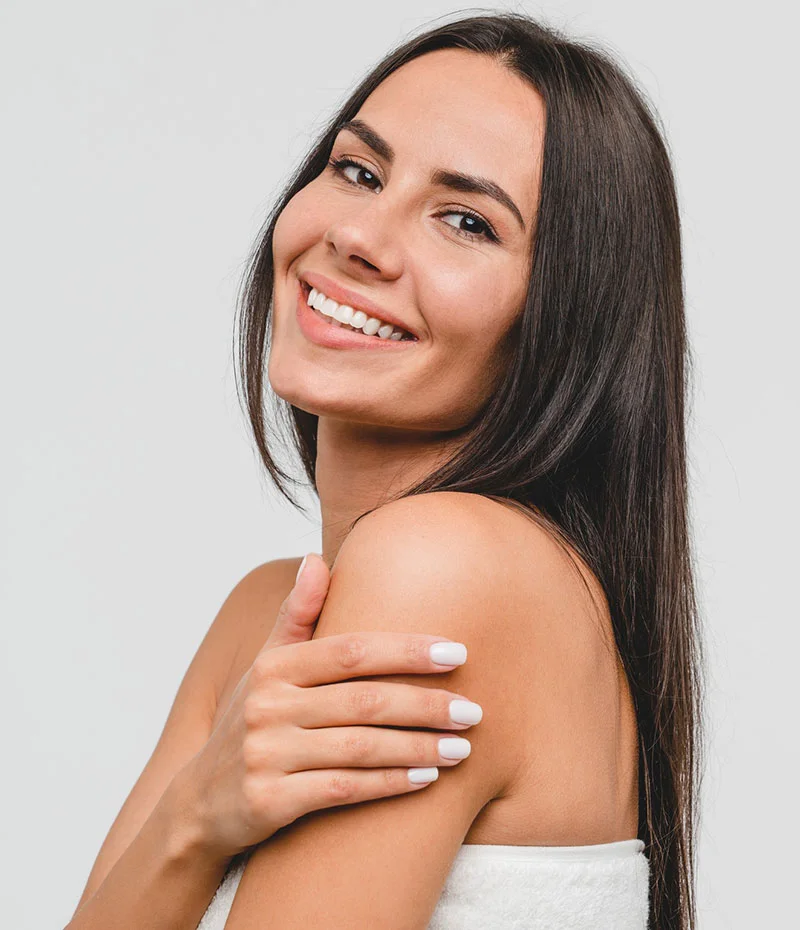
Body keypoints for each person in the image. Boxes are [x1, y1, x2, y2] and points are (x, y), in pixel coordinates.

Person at [66, 11, 703, 930]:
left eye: (465, 221)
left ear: (561, 325)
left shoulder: (445, 569)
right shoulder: (267, 610)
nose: (362, 235)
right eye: (358, 170)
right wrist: (195, 819)